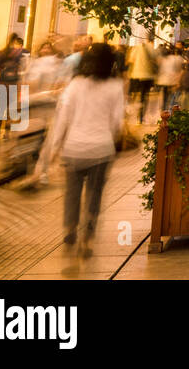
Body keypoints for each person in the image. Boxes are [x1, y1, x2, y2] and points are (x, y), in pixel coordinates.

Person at [45, 43, 124, 258]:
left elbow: (63, 118)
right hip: (101, 149)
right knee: (94, 194)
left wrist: (54, 148)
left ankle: (70, 229)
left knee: (72, 193)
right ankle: (87, 238)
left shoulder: (75, 84)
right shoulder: (115, 86)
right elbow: (117, 122)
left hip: (73, 149)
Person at [0, 34, 26, 139]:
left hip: (2, 82)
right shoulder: (18, 54)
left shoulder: (1, 52)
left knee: (0, 107)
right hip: (12, 83)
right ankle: (6, 132)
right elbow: (22, 66)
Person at [127, 40, 159, 122]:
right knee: (144, 96)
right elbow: (155, 59)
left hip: (136, 75)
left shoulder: (136, 48)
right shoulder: (151, 48)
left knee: (136, 95)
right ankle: (141, 116)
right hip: (147, 76)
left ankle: (134, 112)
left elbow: (130, 60)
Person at [155, 45, 183, 112]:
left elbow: (159, 70)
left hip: (163, 80)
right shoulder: (175, 58)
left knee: (165, 96)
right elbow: (178, 69)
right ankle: (169, 109)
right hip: (171, 80)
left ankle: (164, 109)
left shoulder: (162, 59)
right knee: (172, 96)